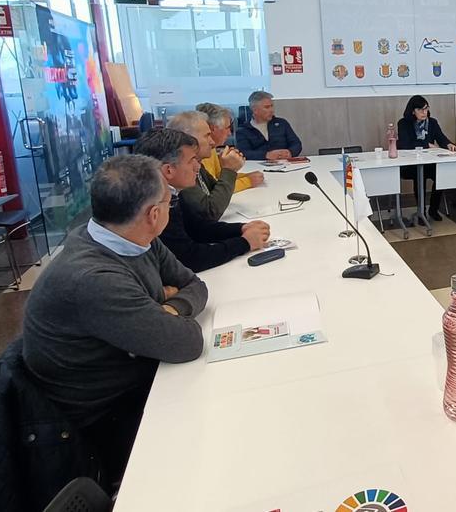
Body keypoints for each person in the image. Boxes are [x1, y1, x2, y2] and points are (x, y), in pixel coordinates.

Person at [21, 154, 208, 485]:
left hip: (133, 376)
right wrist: (159, 309)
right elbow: (186, 342)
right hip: (103, 419)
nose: (171, 208)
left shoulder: (132, 238)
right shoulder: (93, 278)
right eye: (168, 202)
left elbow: (194, 284)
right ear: (154, 214)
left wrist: (168, 307)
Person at [134, 128, 270, 272]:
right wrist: (244, 243)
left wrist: (241, 229)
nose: (197, 167)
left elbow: (197, 228)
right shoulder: (153, 204)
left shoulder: (171, 192)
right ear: (169, 170)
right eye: (192, 161)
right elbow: (190, 258)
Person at [167, 110, 253, 221]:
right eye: (207, 136)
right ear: (188, 139)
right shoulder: (181, 172)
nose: (212, 142)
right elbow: (210, 212)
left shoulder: (198, 163)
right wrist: (229, 170)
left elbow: (214, 190)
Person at [397, 95, 456, 221]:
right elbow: (405, 144)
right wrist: (426, 145)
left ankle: (433, 209)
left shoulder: (432, 122)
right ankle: (422, 212)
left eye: (426, 109)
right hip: (410, 164)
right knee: (419, 175)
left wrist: (449, 144)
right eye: (420, 109)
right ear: (412, 111)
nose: (424, 112)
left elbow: (441, 138)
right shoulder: (404, 123)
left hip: (430, 161)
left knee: (441, 175)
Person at [196, 102, 264, 193]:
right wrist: (248, 181)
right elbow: (213, 189)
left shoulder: (211, 149)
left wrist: (245, 175)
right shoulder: (199, 153)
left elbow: (218, 176)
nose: (229, 133)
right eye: (227, 128)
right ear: (213, 128)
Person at [235, 91, 303, 160]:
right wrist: (266, 155)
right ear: (255, 110)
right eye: (267, 107)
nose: (272, 110)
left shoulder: (282, 123)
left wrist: (290, 152)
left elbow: (296, 144)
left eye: (272, 106)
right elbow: (244, 153)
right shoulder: (243, 130)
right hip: (258, 166)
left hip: (285, 164)